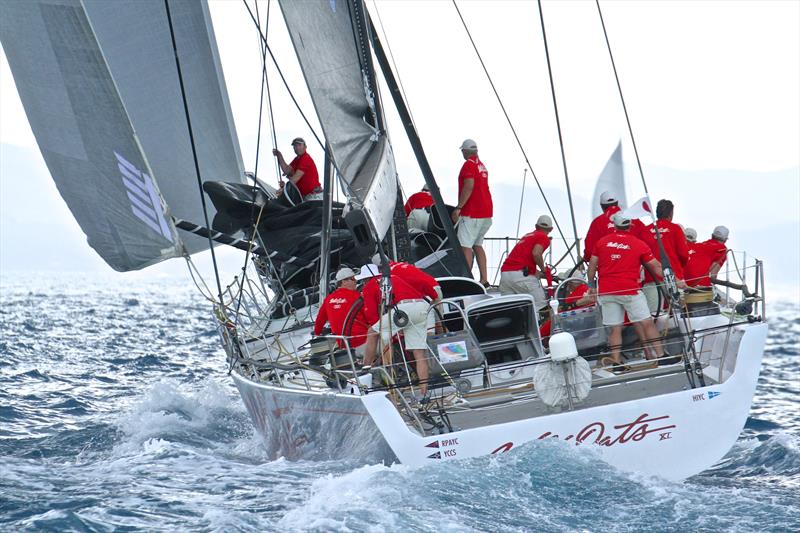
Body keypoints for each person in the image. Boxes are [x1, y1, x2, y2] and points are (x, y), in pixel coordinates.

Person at [587, 212, 665, 371]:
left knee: (615, 327)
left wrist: (591, 285)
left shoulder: (602, 242)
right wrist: (674, 279)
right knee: (647, 322)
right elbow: (656, 266)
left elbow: (592, 265)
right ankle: (662, 356)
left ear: (614, 225)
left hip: (607, 291)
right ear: (630, 225)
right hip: (629, 290)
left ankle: (616, 362)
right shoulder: (638, 243)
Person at [359, 261, 442, 396]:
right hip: (421, 307)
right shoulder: (394, 278)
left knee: (372, 332)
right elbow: (430, 291)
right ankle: (424, 392)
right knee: (419, 354)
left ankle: (365, 368)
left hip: (403, 310)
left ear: (366, 279)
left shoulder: (369, 287)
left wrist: (384, 331)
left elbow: (372, 317)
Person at [451, 139, 493, 287]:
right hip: (486, 212)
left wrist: (459, 207)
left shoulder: (468, 164)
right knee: (477, 245)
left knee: (465, 245)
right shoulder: (481, 166)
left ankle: (466, 280)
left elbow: (469, 186)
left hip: (472, 212)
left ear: (465, 151)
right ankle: (484, 279)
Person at [641, 199, 690, 313]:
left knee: (654, 315)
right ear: (671, 214)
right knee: (680, 314)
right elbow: (683, 254)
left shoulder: (645, 230)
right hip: (674, 277)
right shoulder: (675, 229)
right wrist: (680, 269)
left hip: (652, 278)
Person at [498, 215, 553, 310]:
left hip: (505, 274)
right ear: (551, 229)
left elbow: (522, 261)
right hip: (521, 276)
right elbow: (536, 254)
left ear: (536, 226)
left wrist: (539, 273)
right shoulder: (544, 237)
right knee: (541, 306)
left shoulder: (527, 236)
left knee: (511, 310)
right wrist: (544, 269)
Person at [313, 267, 369, 354]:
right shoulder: (357, 297)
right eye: (353, 279)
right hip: (363, 343)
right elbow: (371, 318)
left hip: (344, 347)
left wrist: (317, 333)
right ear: (343, 282)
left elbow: (319, 321)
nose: (356, 282)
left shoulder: (328, 299)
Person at [582, 191, 646, 263]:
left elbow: (590, 249)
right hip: (632, 266)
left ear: (602, 206)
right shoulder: (632, 218)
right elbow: (647, 238)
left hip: (607, 267)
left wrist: (587, 258)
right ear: (617, 203)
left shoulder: (597, 222)